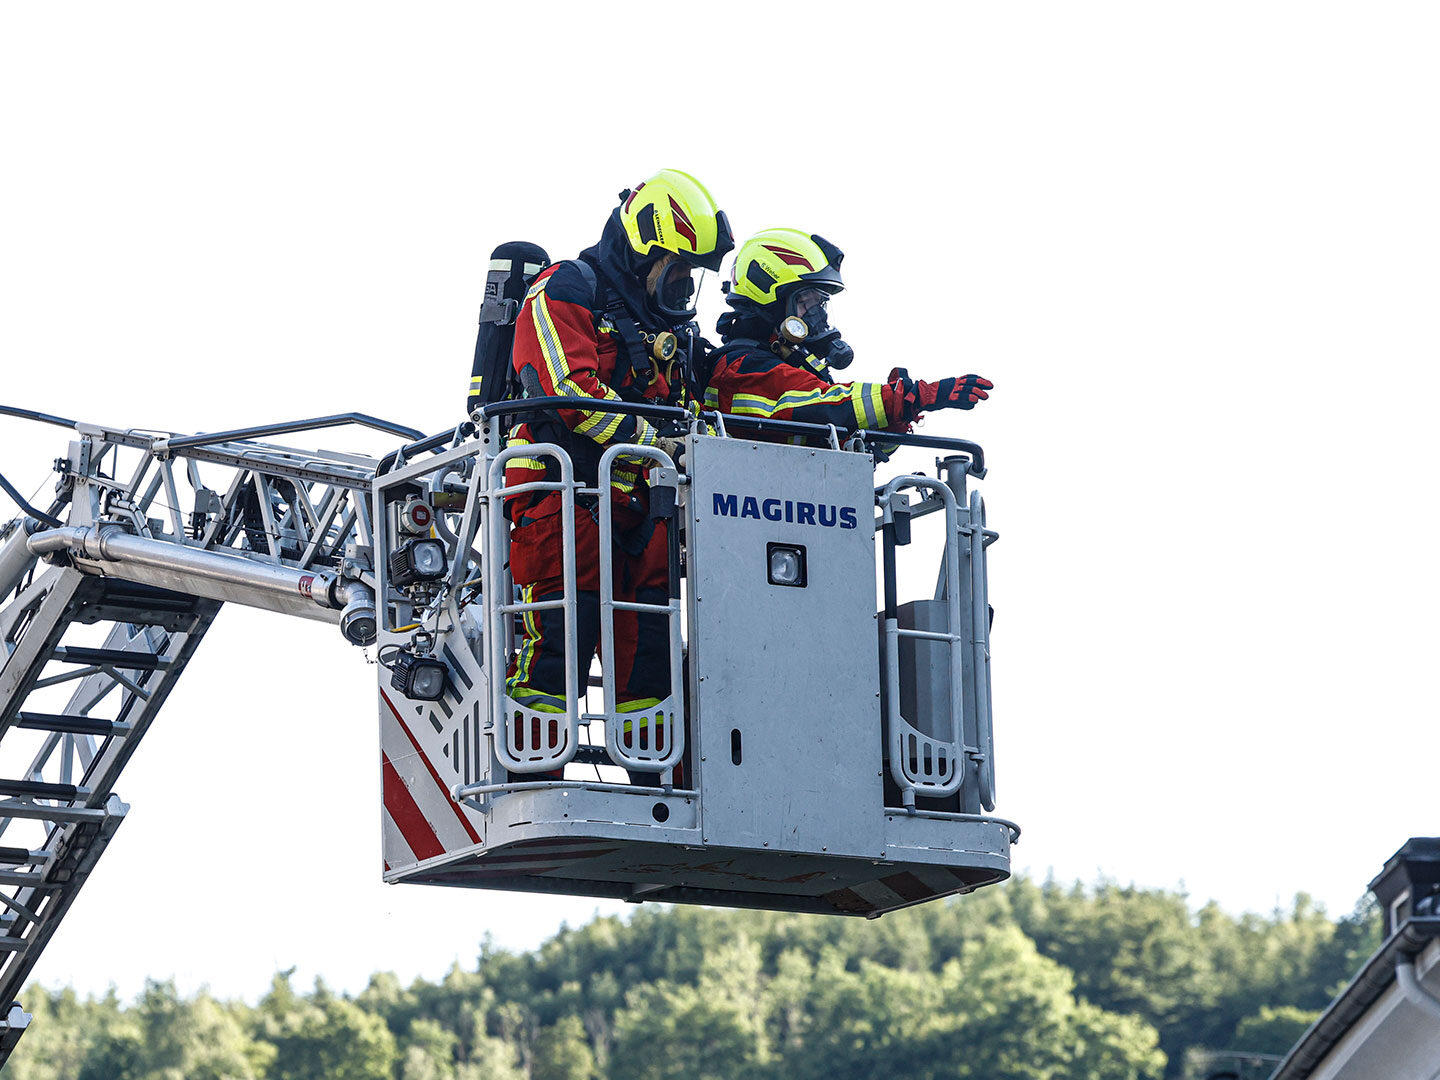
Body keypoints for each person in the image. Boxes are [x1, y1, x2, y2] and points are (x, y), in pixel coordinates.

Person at [503, 169, 732, 782]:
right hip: (562, 495)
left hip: (641, 507)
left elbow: (695, 407)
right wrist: (657, 444)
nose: (683, 286)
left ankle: (656, 783)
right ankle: (531, 779)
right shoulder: (565, 289)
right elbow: (568, 389)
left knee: (650, 652)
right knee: (560, 640)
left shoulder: (671, 329)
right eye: (676, 270)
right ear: (642, 249)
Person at [703, 228, 992, 436]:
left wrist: (895, 421)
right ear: (770, 299)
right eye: (805, 303)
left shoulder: (790, 365)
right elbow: (824, 406)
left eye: (820, 304)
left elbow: (853, 446)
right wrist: (909, 397)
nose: (816, 317)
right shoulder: (740, 368)